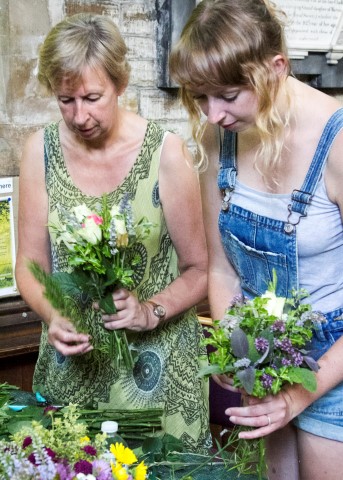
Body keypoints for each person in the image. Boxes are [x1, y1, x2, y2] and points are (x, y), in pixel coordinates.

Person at [15, 13, 211, 453]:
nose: (79, 116)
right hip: (74, 372)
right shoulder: (39, 153)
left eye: (92, 97)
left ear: (120, 84)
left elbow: (200, 269)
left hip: (160, 376)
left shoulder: (167, 153)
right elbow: (29, 266)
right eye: (65, 101)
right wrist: (53, 316)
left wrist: (150, 311)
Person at [169, 0, 343, 478]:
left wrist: (300, 394)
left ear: (275, 69)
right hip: (261, 350)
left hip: (336, 359)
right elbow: (223, 268)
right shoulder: (216, 136)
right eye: (200, 98)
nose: (213, 115)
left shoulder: (337, 140)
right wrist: (235, 347)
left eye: (227, 95)